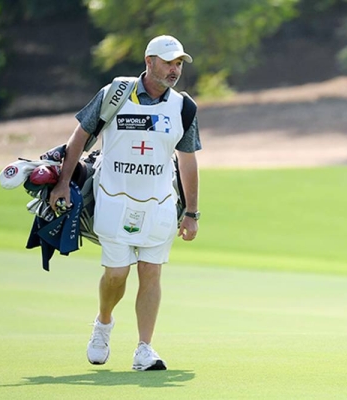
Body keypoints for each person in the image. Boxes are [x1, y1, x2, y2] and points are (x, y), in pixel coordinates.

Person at [48, 35, 201, 371]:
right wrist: (62, 182)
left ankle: (144, 348)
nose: (174, 70)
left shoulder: (183, 107)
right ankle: (103, 323)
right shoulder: (115, 93)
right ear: (149, 61)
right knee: (116, 275)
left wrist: (191, 212)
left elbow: (187, 160)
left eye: (178, 64)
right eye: (168, 62)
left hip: (159, 203)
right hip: (113, 198)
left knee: (151, 272)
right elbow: (80, 136)